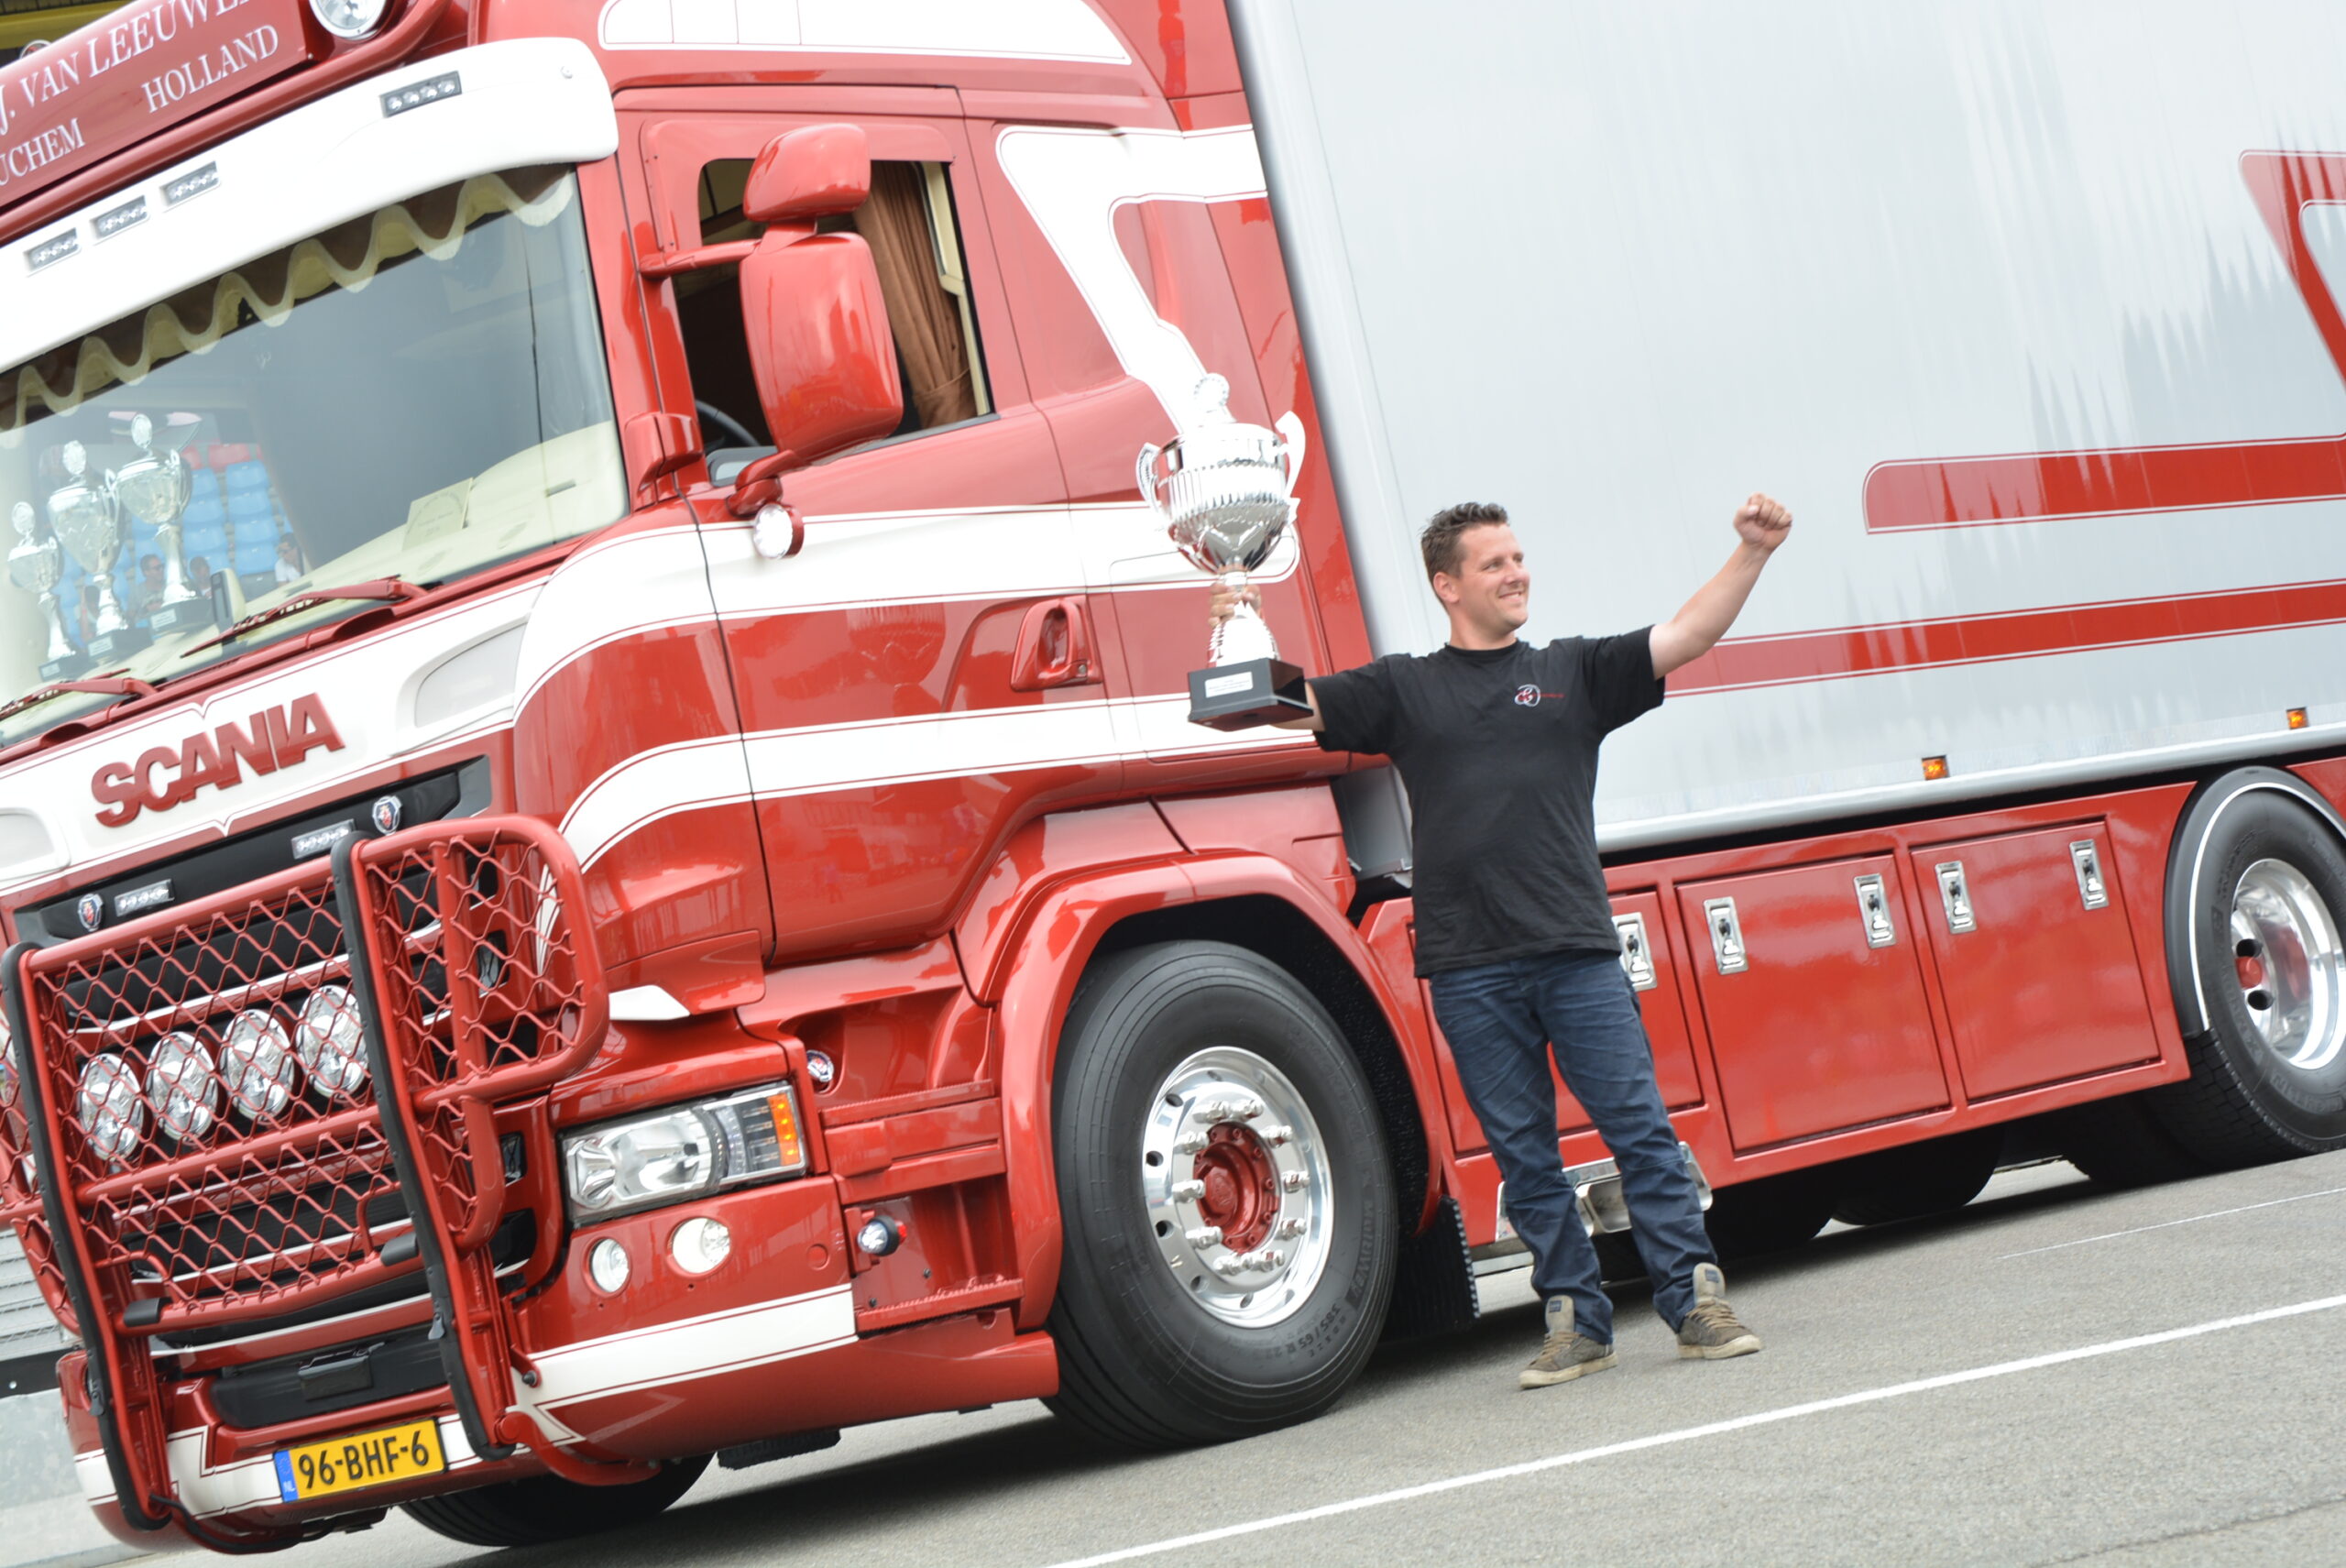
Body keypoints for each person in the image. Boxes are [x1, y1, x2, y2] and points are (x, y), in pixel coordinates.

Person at [1211, 494, 1792, 1389]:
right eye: (1495, 564)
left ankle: (1694, 1301)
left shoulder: (1573, 672)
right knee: (1525, 1158)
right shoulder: (1405, 689)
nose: (1517, 574)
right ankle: (1576, 1322)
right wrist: (1233, 633)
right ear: (1447, 585)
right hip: (1468, 968)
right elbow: (1280, 706)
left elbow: (1686, 635)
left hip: (1575, 953)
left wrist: (1752, 552)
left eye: (1517, 559)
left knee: (1639, 1131)